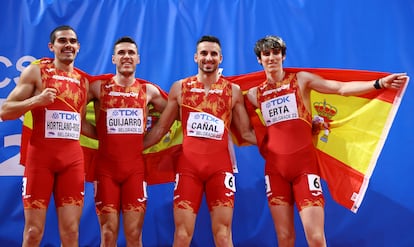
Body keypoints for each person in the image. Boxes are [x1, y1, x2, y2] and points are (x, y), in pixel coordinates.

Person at [245, 35, 409, 247]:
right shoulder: (253, 94)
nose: (271, 57)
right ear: (259, 59)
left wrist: (378, 84)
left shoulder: (301, 80)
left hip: (304, 169)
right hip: (275, 172)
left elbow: (340, 88)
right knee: (284, 239)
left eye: (276, 52)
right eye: (266, 54)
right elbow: (230, 111)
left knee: (315, 239)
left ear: (283, 56)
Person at [143, 35, 256, 247]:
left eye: (213, 53)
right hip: (188, 170)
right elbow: (160, 129)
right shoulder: (180, 88)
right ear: (196, 57)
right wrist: (133, 150)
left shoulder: (233, 91)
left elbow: (247, 133)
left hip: (220, 170)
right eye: (204, 53)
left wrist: (281, 139)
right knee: (182, 235)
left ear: (221, 58)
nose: (208, 58)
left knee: (223, 235)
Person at [0, 25, 88, 247]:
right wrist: (36, 101)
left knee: (71, 232)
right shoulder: (36, 72)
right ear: (52, 46)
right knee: (32, 232)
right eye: (62, 41)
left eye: (72, 41)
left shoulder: (83, 82)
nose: (68, 45)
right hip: (40, 160)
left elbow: (81, 123)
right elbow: (5, 110)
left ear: (78, 47)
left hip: (72, 161)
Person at [83, 36, 167, 247]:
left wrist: (151, 138)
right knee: (108, 233)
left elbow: (175, 115)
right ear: (113, 59)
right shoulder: (98, 88)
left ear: (138, 59)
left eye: (131, 53)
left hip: (135, 171)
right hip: (105, 171)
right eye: (121, 53)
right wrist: (100, 136)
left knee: (134, 234)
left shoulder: (149, 92)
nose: (126, 57)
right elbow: (73, 114)